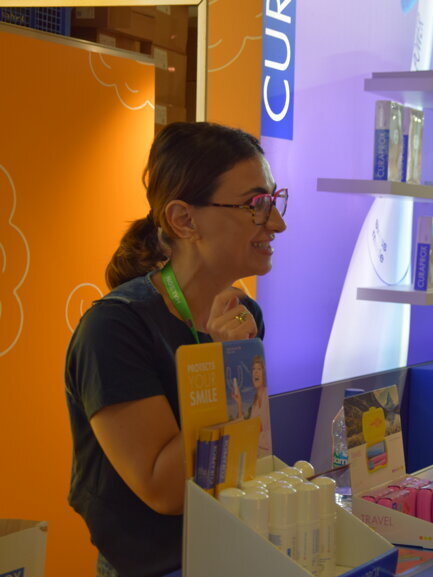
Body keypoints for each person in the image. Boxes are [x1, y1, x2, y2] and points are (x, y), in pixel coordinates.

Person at [65, 122, 287, 577]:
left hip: (233, 554)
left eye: (274, 200)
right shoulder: (115, 328)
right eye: (255, 205)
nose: (277, 223)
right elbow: (166, 491)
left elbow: (249, 454)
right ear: (184, 220)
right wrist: (228, 369)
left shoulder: (243, 316)